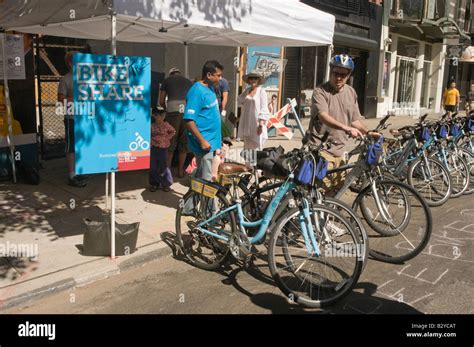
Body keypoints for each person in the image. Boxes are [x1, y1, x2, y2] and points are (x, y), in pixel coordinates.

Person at [304, 54, 379, 194]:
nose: (339, 78)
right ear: (330, 71)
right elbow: (324, 116)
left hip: (341, 151)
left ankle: (330, 216)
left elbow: (354, 120)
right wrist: (346, 128)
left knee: (337, 191)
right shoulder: (320, 92)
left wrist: (367, 132)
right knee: (321, 193)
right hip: (322, 150)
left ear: (349, 75)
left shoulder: (351, 92)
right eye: (336, 73)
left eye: (343, 75)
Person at [183, 60, 223, 181]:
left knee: (205, 177)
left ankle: (193, 199)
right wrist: (202, 141)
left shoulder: (210, 88)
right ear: (209, 75)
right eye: (218, 75)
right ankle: (202, 199)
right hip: (204, 142)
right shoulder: (197, 91)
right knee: (205, 180)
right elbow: (189, 120)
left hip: (212, 140)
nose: (220, 79)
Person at [58, 51, 85, 187]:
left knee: (82, 145)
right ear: (70, 63)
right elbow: (60, 100)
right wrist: (75, 99)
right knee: (71, 147)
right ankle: (71, 176)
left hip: (85, 117)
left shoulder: (85, 77)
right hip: (72, 118)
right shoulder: (65, 79)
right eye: (77, 60)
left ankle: (79, 171)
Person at [159, 67, 193, 178]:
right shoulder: (188, 81)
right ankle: (180, 171)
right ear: (179, 73)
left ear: (170, 74)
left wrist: (165, 110)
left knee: (171, 141)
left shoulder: (167, 81)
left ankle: (167, 172)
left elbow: (161, 100)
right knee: (183, 142)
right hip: (186, 112)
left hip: (173, 112)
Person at [237, 71, 270, 151]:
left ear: (258, 80)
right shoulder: (247, 91)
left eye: (255, 78)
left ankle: (255, 163)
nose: (253, 80)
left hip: (257, 124)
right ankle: (248, 164)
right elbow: (239, 100)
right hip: (247, 124)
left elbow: (264, 109)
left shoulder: (262, 92)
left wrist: (260, 125)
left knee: (257, 149)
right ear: (249, 80)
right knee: (247, 148)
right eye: (251, 78)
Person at [149, 107, 175, 192]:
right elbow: (148, 135)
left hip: (163, 149)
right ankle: (154, 184)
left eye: (162, 115)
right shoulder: (152, 126)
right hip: (154, 148)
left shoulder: (166, 124)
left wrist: (167, 138)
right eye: (157, 116)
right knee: (153, 167)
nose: (160, 117)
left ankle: (166, 184)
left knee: (164, 167)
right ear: (154, 116)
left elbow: (173, 131)